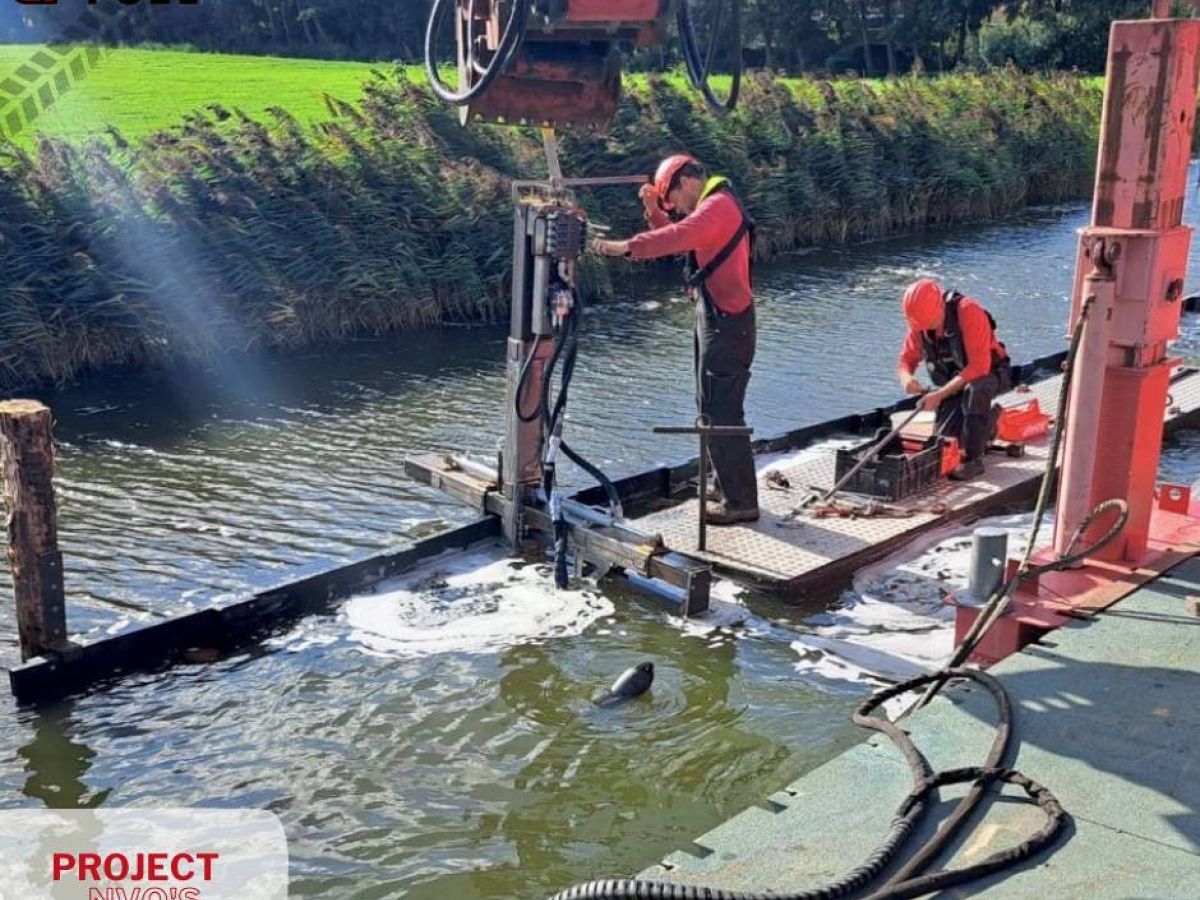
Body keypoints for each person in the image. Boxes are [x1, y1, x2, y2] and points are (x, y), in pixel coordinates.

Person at [595, 154, 759, 525]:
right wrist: (654, 212)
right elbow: (680, 238)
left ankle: (742, 502)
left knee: (723, 411)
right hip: (716, 319)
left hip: (729, 326)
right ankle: (726, 486)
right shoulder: (713, 206)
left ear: (686, 181)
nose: (674, 209)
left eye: (671, 200)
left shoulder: (717, 207)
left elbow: (679, 235)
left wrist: (624, 247)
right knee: (708, 405)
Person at [896, 278, 1012, 482]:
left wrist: (939, 395)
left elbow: (979, 366)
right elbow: (907, 359)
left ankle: (973, 461)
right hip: (954, 381)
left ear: (940, 307)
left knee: (975, 391)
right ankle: (990, 424)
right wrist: (906, 377)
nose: (925, 329)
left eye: (930, 323)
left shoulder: (968, 311)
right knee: (947, 444)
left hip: (990, 374)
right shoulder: (919, 322)